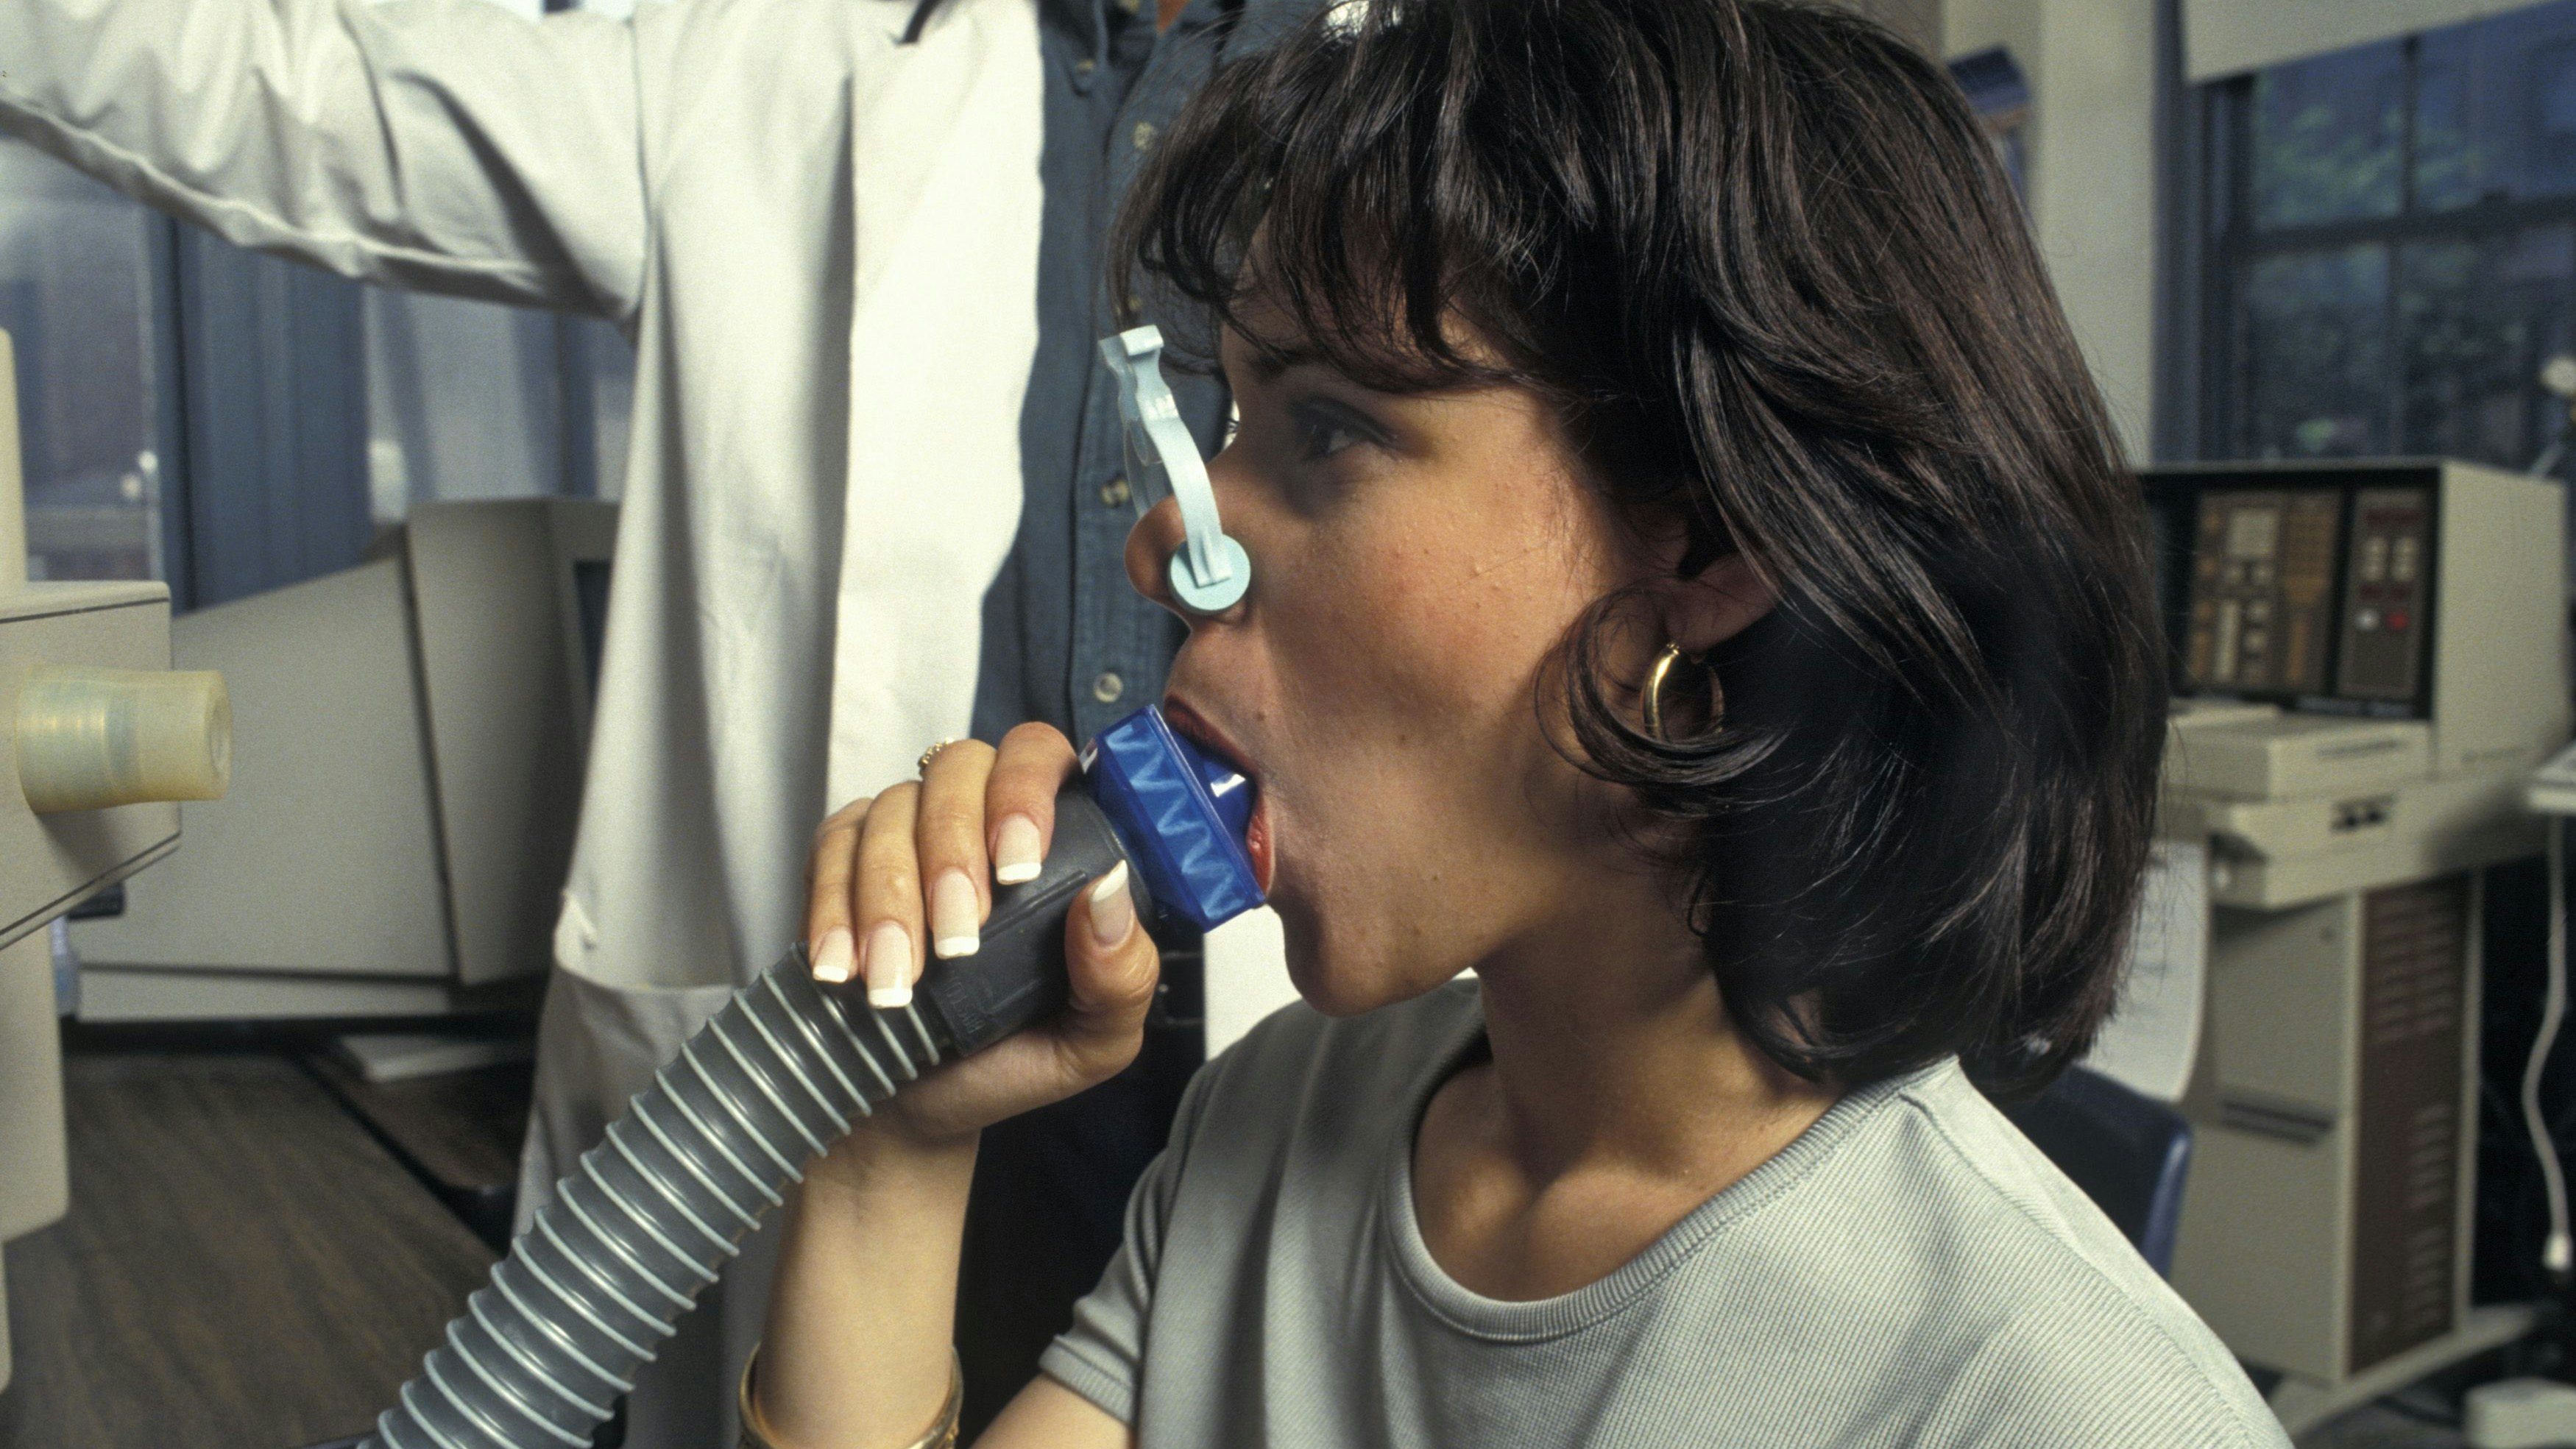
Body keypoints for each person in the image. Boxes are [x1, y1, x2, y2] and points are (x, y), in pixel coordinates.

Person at [754, 0, 2296, 1445]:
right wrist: (884, 1146)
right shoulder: (1277, 1127)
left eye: (1327, 428)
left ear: (1704, 545)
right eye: (1230, 418)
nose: (1168, 543)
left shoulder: (2062, 1404)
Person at [0, 0, 1310, 1436]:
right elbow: (295, 89)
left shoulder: (1469, 89)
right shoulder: (774, 63)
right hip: (866, 1061)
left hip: (1252, 1069)